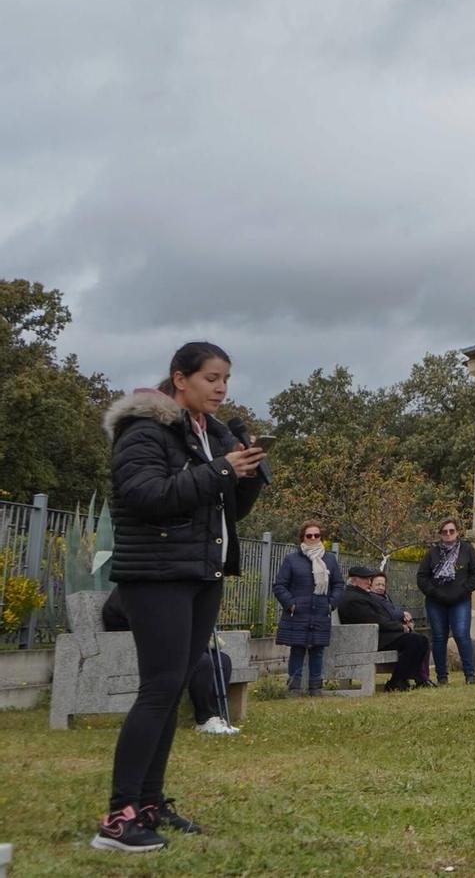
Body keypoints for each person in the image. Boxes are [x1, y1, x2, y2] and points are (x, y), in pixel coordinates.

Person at [94, 343, 266, 853]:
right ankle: (117, 819)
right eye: (212, 378)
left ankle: (149, 803)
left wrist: (246, 476)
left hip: (200, 572)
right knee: (159, 688)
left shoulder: (210, 434)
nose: (221, 389)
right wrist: (220, 471)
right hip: (156, 575)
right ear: (179, 378)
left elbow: (225, 510)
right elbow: (145, 496)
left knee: (172, 690)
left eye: (226, 379)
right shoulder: (144, 430)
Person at [99, 587, 239, 736]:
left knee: (222, 660)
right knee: (201, 662)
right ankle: (204, 718)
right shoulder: (127, 595)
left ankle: (217, 717)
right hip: (136, 651)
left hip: (166, 644)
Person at [273, 519, 341, 696]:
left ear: (321, 537)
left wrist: (330, 604)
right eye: (308, 535)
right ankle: (294, 687)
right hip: (298, 612)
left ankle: (315, 687)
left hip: (320, 611)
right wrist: (291, 604)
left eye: (316, 535)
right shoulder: (292, 559)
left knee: (317, 650)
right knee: (297, 649)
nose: (312, 538)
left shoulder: (330, 560)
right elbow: (280, 585)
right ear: (302, 537)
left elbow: (338, 585)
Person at [337, 565, 430, 691]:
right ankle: (396, 682)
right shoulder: (353, 598)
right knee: (413, 641)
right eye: (365, 579)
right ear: (354, 580)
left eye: (369, 578)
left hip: (374, 635)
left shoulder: (360, 595)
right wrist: (400, 627)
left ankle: (412, 679)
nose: (368, 582)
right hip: (366, 639)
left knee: (421, 640)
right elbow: (374, 620)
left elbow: (379, 617)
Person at [416, 517, 475, 687]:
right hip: (436, 601)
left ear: (457, 532)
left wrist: (463, 590)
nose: (448, 534)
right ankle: (442, 677)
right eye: (444, 532)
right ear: (440, 534)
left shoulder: (467, 550)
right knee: (438, 638)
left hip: (460, 600)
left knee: (461, 635)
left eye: (451, 531)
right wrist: (434, 592)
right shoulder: (432, 553)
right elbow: (422, 577)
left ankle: (470, 675)